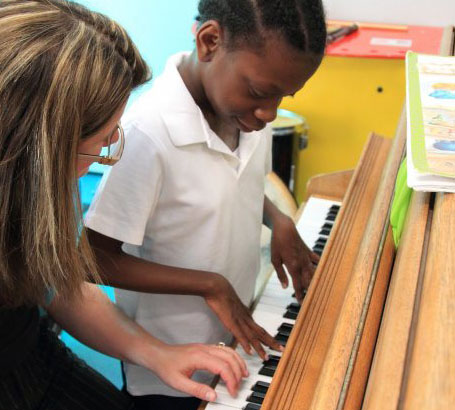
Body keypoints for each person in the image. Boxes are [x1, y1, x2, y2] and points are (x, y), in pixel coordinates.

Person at [0, 1, 248, 410]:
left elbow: (53, 281)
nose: (104, 157)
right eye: (99, 147)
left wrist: (156, 352)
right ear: (34, 147)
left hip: (32, 357)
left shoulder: (28, 186)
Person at [85, 0, 326, 409]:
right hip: (171, 373)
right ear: (210, 41)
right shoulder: (148, 134)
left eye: (284, 97)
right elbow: (91, 258)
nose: (270, 113)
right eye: (260, 93)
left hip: (234, 346)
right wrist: (209, 284)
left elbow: (230, 183)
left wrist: (278, 218)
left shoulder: (244, 115)